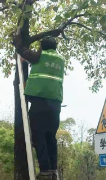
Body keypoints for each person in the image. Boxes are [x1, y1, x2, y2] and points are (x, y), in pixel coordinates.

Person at [13, 29, 65, 180]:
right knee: (50, 137)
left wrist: (17, 42)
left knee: (38, 136)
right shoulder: (60, 60)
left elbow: (24, 51)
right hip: (55, 105)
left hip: (39, 102)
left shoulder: (40, 55)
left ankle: (45, 171)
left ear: (42, 46)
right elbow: (41, 65)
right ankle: (53, 170)